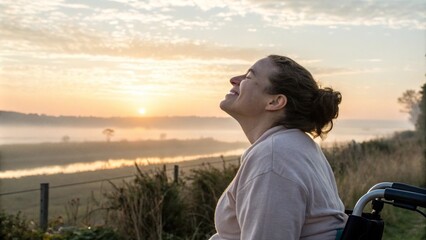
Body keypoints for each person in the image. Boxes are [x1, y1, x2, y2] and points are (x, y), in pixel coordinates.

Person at [209, 55, 347, 240]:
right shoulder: (295, 145)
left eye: (249, 76)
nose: (234, 79)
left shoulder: (274, 158)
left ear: (274, 102)